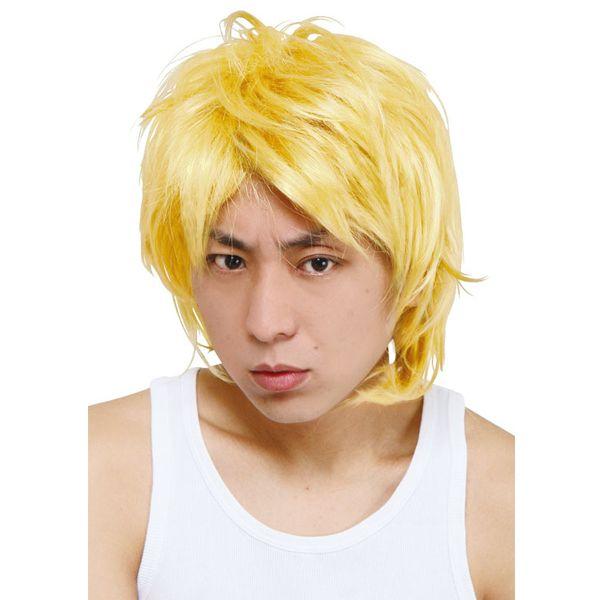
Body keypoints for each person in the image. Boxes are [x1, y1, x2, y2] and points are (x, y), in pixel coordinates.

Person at [88, 10, 514, 600]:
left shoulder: (503, 496)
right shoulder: (105, 469)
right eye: (228, 260)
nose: (265, 324)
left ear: (411, 263)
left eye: (317, 263)